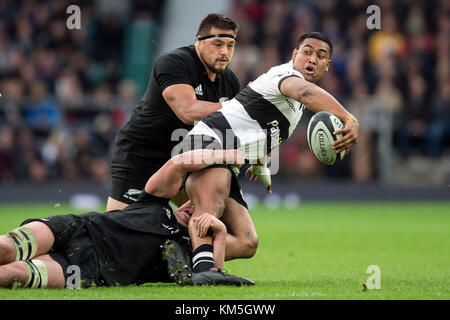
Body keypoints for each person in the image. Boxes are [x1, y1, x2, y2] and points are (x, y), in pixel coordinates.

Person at [175, 32, 360, 275]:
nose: (312, 59)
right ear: (294, 55)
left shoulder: (295, 108)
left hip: (226, 158)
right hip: (211, 140)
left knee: (247, 241)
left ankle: (173, 257)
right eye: (307, 52)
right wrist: (348, 117)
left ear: (328, 65)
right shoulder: (286, 76)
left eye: (320, 56)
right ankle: (205, 271)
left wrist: (260, 165)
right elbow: (305, 92)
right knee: (211, 206)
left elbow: (255, 124)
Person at [0, 149, 254, 288]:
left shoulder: (183, 251)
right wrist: (229, 156)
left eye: (199, 210)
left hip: (87, 272)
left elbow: (211, 274)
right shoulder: (154, 201)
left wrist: (219, 231)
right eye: (191, 201)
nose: (192, 207)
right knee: (5, 248)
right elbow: (179, 162)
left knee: (16, 274)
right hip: (77, 228)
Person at [107, 13, 240, 210]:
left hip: (183, 162)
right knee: (119, 231)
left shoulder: (230, 81)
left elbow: (234, 127)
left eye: (230, 46)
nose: (225, 52)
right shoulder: (175, 63)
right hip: (142, 156)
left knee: (211, 220)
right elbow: (188, 111)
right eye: (218, 44)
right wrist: (238, 106)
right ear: (199, 42)